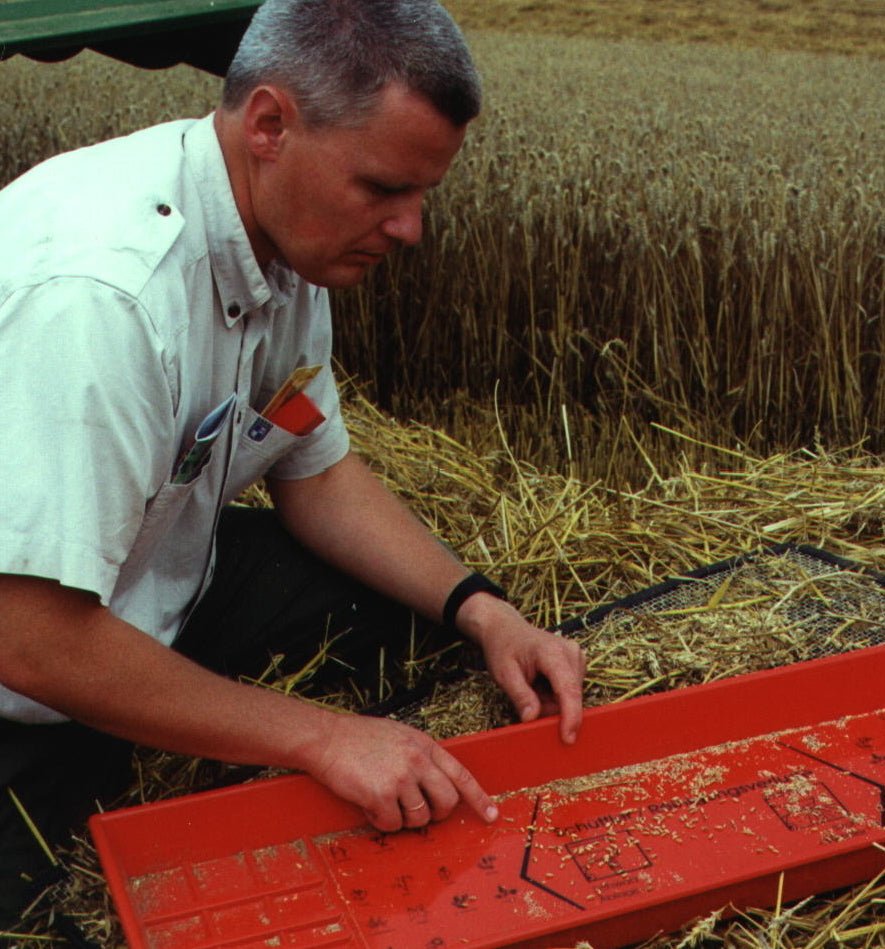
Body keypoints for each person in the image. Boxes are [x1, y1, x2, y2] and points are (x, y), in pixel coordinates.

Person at [0, 0, 584, 922]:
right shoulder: (101, 295)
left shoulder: (287, 241)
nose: (410, 229)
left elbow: (312, 468)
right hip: (24, 673)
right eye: (383, 188)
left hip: (148, 581)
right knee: (63, 917)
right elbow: (28, 634)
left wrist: (485, 609)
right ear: (270, 123)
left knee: (418, 630)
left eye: (422, 194)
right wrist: (321, 738)